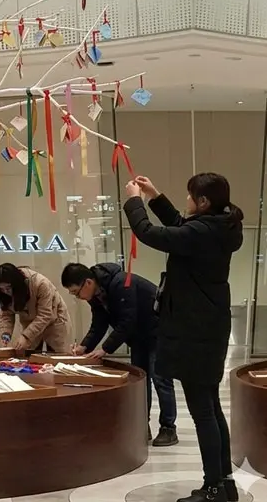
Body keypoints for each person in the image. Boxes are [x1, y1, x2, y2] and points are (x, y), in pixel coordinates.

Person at [124, 173, 243, 502]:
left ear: (203, 202)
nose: (187, 200)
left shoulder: (202, 231)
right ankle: (224, 485)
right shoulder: (218, 227)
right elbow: (180, 226)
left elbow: (150, 233)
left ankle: (213, 488)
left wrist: (134, 201)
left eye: (190, 195)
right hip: (209, 328)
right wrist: (155, 196)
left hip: (195, 332)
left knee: (203, 411)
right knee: (211, 408)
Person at [61, 262, 178, 447]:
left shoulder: (122, 283)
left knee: (161, 380)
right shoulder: (96, 294)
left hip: (158, 332)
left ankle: (168, 428)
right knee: (140, 381)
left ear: (88, 282)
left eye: (76, 292)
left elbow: (127, 320)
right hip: (138, 338)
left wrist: (105, 349)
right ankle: (142, 425)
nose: (78, 297)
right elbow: (99, 323)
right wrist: (84, 346)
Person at [0, 263, 72, 354]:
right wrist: (6, 333)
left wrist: (26, 336)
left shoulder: (40, 283)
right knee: (30, 356)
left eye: (8, 287)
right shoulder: (4, 293)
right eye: (2, 289)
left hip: (55, 321)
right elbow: (6, 314)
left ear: (16, 283)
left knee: (57, 356)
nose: (6, 291)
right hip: (31, 325)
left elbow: (45, 315)